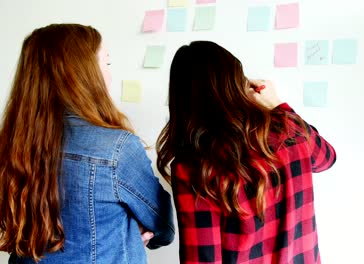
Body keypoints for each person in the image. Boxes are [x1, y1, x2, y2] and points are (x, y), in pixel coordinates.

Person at [0, 24, 174, 264]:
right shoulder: (117, 150)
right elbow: (162, 224)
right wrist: (134, 230)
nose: (110, 74)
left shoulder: (11, 144)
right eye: (107, 64)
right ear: (84, 74)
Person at [156, 41, 336, 264]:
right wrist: (279, 105)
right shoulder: (289, 129)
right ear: (237, 83)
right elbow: (327, 158)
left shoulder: (194, 167)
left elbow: (202, 258)